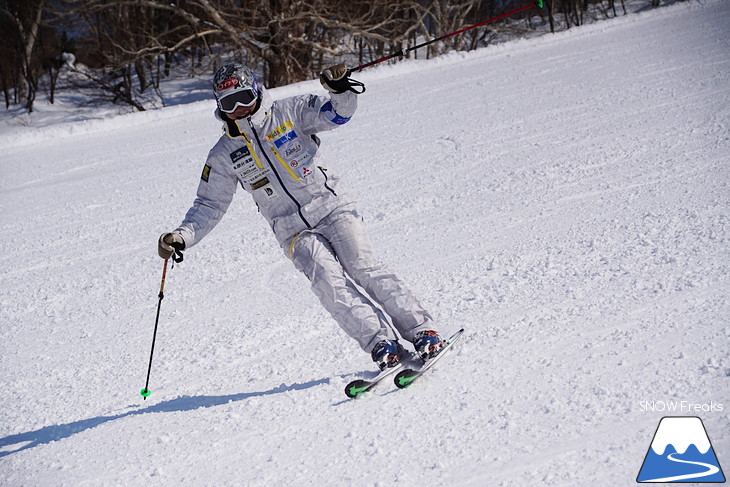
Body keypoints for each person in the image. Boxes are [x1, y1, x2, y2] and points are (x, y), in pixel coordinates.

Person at [157, 62, 443, 370]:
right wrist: (182, 236)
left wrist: (340, 88)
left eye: (243, 98)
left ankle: (422, 331)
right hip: (292, 230)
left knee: (364, 267)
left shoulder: (290, 111)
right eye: (229, 103)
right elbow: (210, 204)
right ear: (219, 107)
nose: (239, 108)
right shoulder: (223, 154)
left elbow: (338, 114)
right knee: (329, 284)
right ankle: (381, 344)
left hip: (331, 206)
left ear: (256, 91)